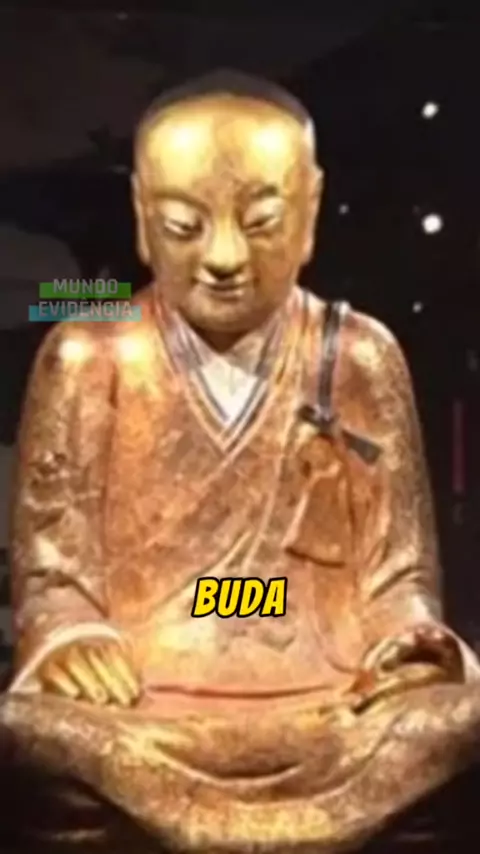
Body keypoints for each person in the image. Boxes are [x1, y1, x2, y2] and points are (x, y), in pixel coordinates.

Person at [2, 70, 480, 854]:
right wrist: (70, 638)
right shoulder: (90, 353)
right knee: (33, 734)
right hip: (148, 697)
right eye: (184, 225)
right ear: (142, 219)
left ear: (310, 212)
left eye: (261, 222)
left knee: (455, 721)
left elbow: (397, 580)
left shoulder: (358, 356)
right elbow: (55, 577)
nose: (224, 256)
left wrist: (411, 645)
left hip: (324, 693)